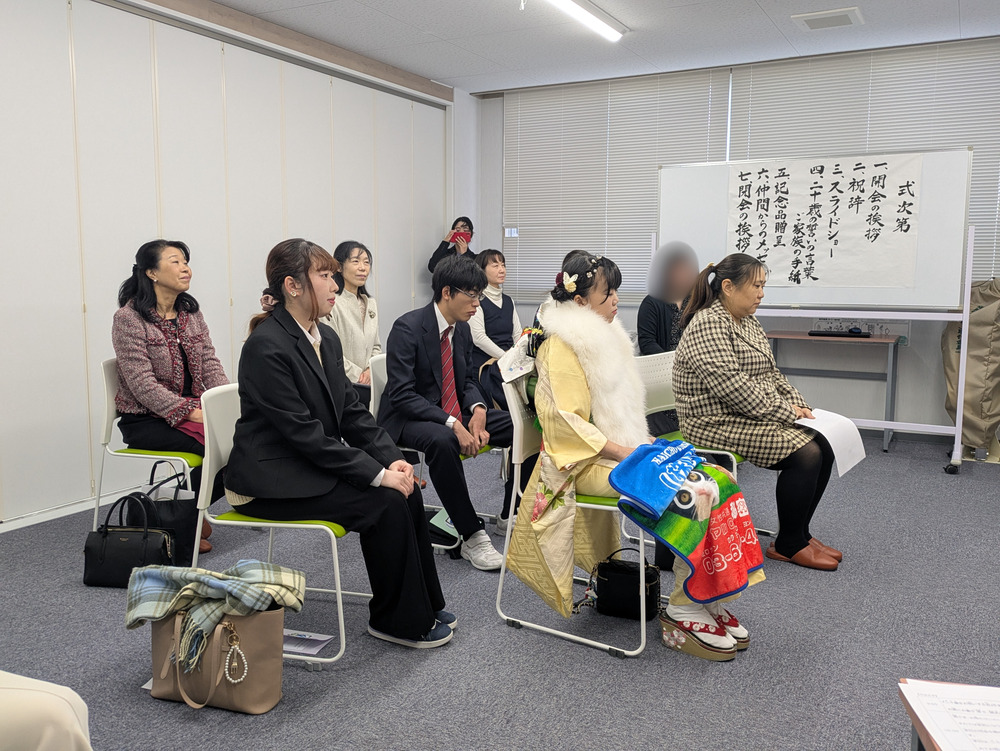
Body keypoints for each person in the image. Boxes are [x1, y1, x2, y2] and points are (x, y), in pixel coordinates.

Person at [508, 252, 761, 660]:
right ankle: (683, 607)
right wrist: (630, 451)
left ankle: (707, 593)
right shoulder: (561, 347)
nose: (615, 301)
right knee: (694, 493)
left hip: (622, 452)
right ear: (580, 300)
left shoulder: (607, 336)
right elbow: (565, 425)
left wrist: (642, 446)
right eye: (607, 294)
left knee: (719, 479)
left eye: (616, 292)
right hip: (582, 465)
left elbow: (623, 414)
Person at [224, 239, 453, 649]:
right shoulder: (266, 346)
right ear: (293, 286)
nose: (335, 285)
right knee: (384, 502)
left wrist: (392, 460)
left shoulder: (325, 337)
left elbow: (352, 413)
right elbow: (305, 434)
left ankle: (425, 604)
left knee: (406, 490)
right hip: (268, 479)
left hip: (305, 462)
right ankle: (397, 621)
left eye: (333, 275)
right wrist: (376, 475)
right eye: (324, 276)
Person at [672, 252, 841, 571]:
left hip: (743, 413)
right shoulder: (708, 324)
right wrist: (787, 412)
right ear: (728, 287)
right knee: (806, 454)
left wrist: (799, 404)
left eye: (763, 286)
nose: (761, 293)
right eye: (756, 286)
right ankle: (789, 544)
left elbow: (772, 373)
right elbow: (733, 387)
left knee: (824, 443)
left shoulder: (746, 320)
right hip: (712, 421)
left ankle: (800, 533)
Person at [380, 255, 516, 571]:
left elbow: (466, 380)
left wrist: (479, 411)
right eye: (472, 296)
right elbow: (401, 395)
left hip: (448, 410)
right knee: (443, 440)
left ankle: (511, 511)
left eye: (480, 296)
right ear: (446, 292)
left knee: (521, 425)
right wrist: (454, 423)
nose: (477, 304)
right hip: (407, 417)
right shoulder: (407, 328)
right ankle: (471, 535)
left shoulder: (462, 329)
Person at [112, 240, 228, 555]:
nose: (185, 268)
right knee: (221, 447)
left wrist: (224, 405)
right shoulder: (129, 318)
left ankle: (181, 515)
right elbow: (141, 384)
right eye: (175, 261)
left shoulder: (191, 313)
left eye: (186, 262)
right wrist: (191, 412)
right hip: (145, 419)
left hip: (193, 412)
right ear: (151, 272)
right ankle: (184, 518)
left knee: (244, 438)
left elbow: (210, 364)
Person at [322, 240, 381, 407]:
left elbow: (376, 346)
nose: (363, 268)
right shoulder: (332, 302)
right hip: (342, 385)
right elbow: (330, 351)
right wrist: (358, 376)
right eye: (355, 261)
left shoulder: (370, 303)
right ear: (339, 267)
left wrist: (370, 371)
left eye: (366, 262)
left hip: (368, 386)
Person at [469, 249, 522, 410]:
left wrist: (518, 357)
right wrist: (506, 358)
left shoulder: (508, 301)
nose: (502, 270)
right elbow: (479, 338)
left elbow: (518, 334)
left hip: (508, 361)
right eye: (495, 265)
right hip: (486, 363)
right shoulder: (476, 300)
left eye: (503, 265)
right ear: (482, 270)